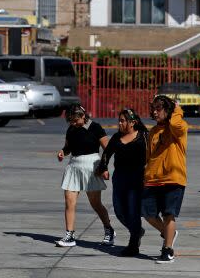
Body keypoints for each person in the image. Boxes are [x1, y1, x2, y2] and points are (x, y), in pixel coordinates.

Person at [55, 104, 115, 248]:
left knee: (95, 204)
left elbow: (108, 149)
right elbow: (68, 147)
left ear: (83, 116)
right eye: (71, 121)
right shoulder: (71, 129)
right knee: (69, 202)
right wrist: (63, 151)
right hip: (74, 166)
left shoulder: (95, 127)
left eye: (75, 120)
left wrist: (104, 167)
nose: (73, 124)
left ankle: (109, 230)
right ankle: (69, 235)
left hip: (92, 166)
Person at [142, 94, 188, 264]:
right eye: (152, 109)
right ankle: (169, 232)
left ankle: (167, 250)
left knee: (169, 214)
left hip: (173, 179)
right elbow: (149, 156)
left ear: (168, 110)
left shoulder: (179, 126)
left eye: (158, 108)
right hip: (152, 179)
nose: (154, 112)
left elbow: (175, 123)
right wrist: (145, 174)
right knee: (147, 213)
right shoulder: (153, 131)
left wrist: (176, 109)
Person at [97, 108, 148, 256]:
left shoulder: (143, 136)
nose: (119, 123)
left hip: (137, 178)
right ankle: (137, 231)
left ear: (132, 122)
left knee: (133, 211)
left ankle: (133, 245)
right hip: (119, 177)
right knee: (119, 211)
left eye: (122, 121)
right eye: (119, 120)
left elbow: (152, 157)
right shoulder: (117, 137)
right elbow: (107, 154)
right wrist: (103, 168)